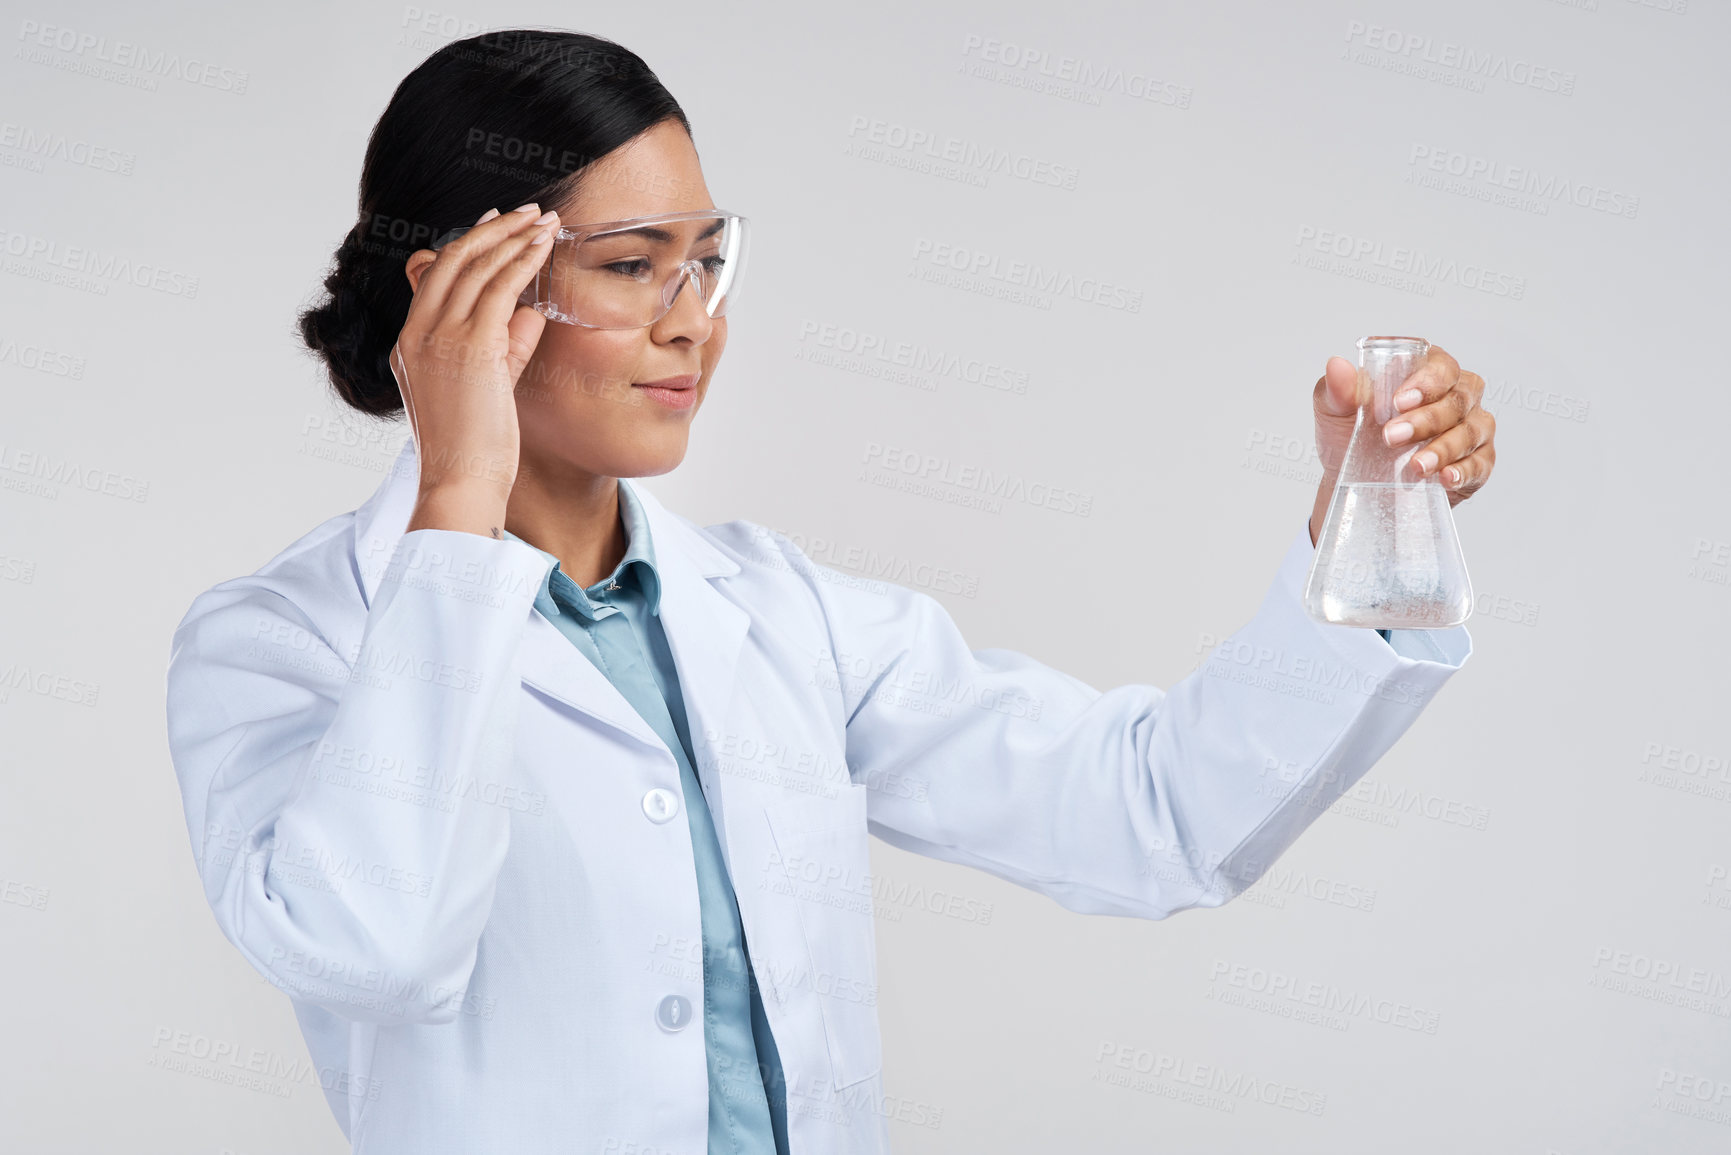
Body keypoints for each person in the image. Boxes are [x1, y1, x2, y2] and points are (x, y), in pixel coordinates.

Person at [162, 28, 1496, 1155]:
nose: (695, 318)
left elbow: (1150, 815)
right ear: (456, 294)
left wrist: (1367, 520)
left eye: (708, 257)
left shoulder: (781, 614)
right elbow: (375, 949)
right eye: (631, 265)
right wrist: (456, 499)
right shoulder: (284, 644)